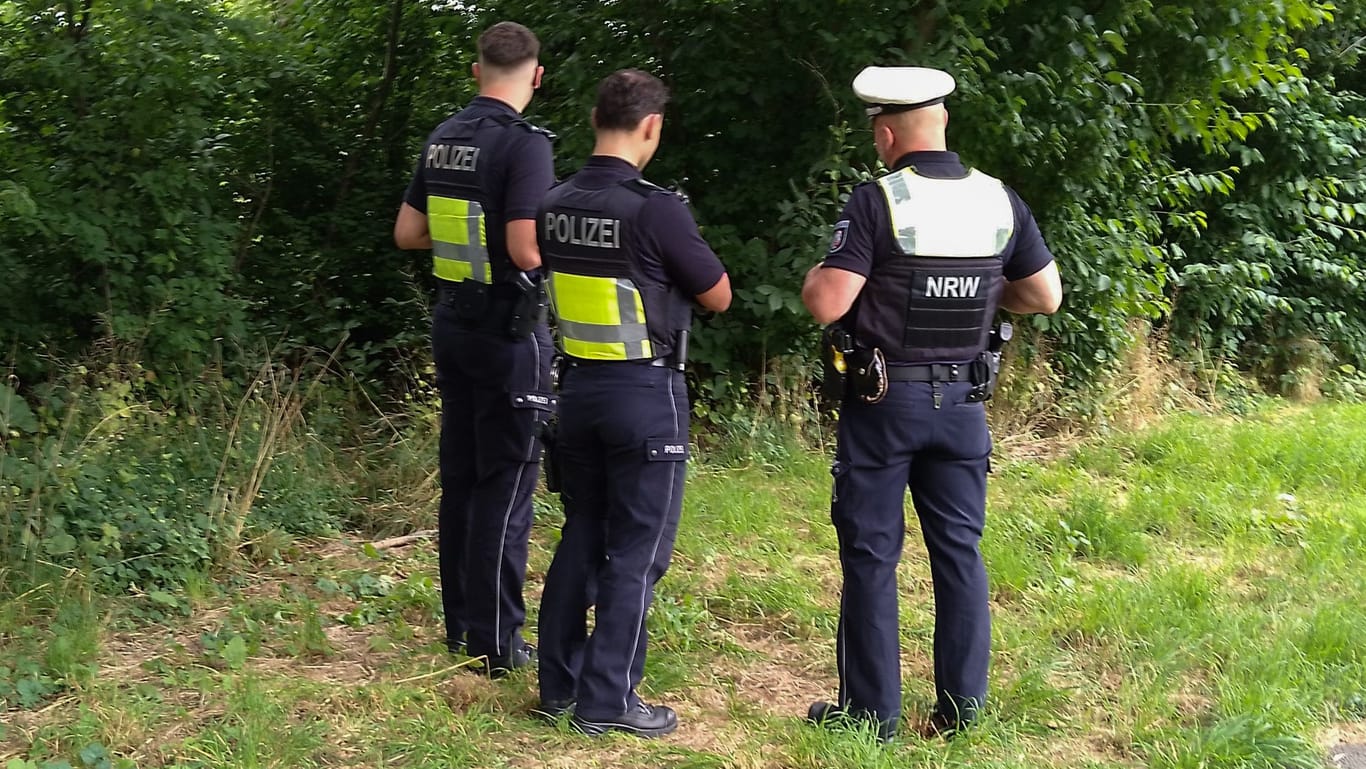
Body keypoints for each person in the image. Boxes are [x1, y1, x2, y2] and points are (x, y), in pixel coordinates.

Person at [801, 66, 1063, 741]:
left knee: (870, 555)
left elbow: (829, 301)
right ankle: (962, 713)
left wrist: (819, 279)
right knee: (959, 555)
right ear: (942, 123)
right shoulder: (1000, 201)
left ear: (886, 134)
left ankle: (872, 717)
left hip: (886, 404)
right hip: (964, 406)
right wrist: (980, 295)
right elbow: (1044, 295)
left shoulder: (878, 202)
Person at [532, 69, 732, 738]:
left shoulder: (554, 201)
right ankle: (609, 698)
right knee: (638, 550)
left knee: (583, 532)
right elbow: (718, 293)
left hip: (577, 391)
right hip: (645, 395)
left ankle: (558, 686)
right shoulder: (655, 208)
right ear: (652, 127)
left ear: (595, 119)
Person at [392, 21, 556, 677]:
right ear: (536, 77)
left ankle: (461, 628)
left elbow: (408, 231)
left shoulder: (443, 139)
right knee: (508, 480)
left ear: (475, 71)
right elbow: (525, 248)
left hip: (452, 323)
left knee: (461, 475)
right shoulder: (526, 146)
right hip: (507, 330)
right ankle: (497, 643)